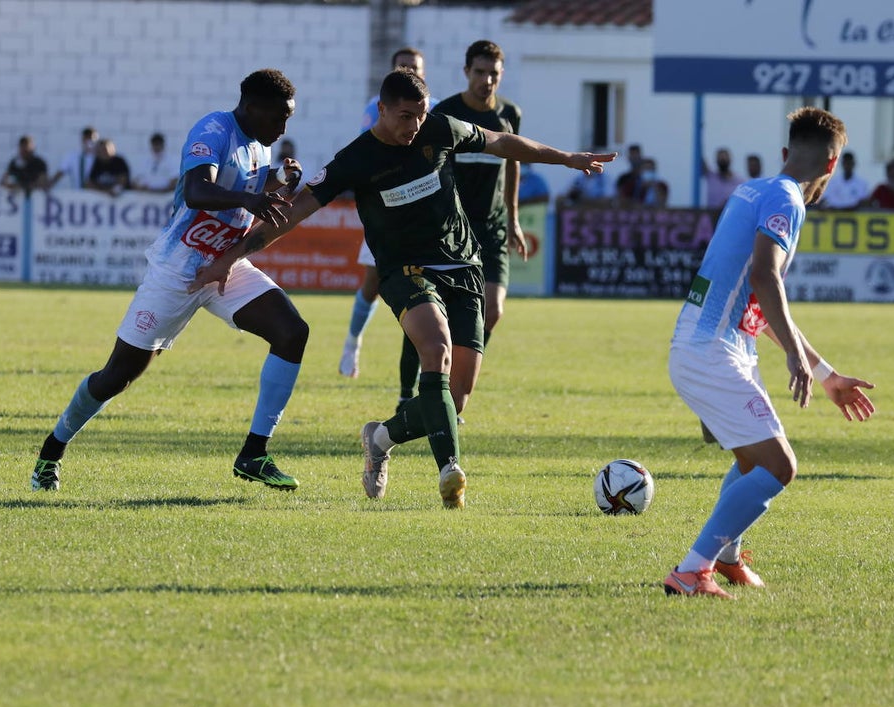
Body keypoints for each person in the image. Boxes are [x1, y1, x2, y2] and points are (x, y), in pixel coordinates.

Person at [187, 70, 615, 509]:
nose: (414, 125)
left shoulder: (440, 129)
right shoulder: (356, 158)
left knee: (455, 399)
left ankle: (380, 437)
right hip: (405, 270)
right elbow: (292, 214)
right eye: (405, 116)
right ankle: (450, 472)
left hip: (463, 264)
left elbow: (501, 142)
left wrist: (567, 158)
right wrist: (228, 258)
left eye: (420, 115)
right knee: (437, 349)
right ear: (383, 109)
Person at [30, 69, 307, 493]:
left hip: (224, 266)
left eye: (287, 119)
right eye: (278, 118)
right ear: (252, 107)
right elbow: (197, 190)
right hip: (179, 269)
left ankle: (254, 453)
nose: (283, 129)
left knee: (292, 332)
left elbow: (245, 186)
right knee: (117, 376)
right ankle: (52, 450)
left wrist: (278, 181)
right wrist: (250, 198)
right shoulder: (213, 130)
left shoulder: (259, 143)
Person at [664, 106, 876, 599]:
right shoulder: (787, 199)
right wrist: (796, 360)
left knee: (750, 460)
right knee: (779, 467)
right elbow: (766, 276)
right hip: (712, 349)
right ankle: (692, 570)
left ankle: (729, 558)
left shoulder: (753, 189)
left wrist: (825, 373)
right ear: (832, 164)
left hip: (711, 343)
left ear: (785, 152)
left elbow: (758, 303)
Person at [340, 47, 434, 383]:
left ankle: (427, 374)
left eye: (415, 67)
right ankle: (353, 342)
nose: (410, 71)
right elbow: (369, 152)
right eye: (403, 67)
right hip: (386, 213)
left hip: (424, 218)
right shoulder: (375, 106)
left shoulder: (434, 109)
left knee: (429, 292)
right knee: (373, 284)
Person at [433, 39, 524, 349]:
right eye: (480, 72)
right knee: (444, 311)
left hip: (493, 226)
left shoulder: (510, 114)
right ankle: (437, 366)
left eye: (494, 73)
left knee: (493, 310)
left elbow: (514, 163)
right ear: (466, 71)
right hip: (454, 228)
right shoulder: (446, 113)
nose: (487, 80)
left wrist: (513, 218)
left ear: (502, 74)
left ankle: (465, 363)